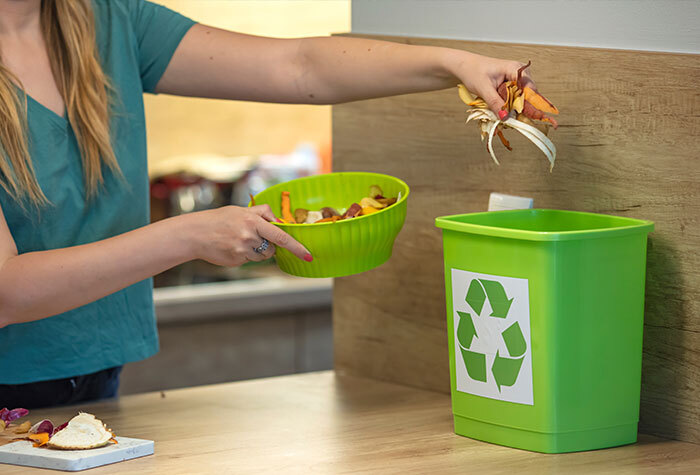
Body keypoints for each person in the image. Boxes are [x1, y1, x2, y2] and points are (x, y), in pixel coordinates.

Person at [0, 0, 536, 408]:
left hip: (95, 374)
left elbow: (297, 66)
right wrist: (188, 236)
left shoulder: (107, 20)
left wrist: (455, 62)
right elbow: (6, 293)